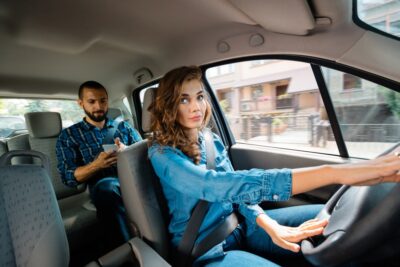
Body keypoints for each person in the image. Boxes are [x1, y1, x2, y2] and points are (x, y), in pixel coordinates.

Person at [147, 66, 400, 267]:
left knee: (337, 224)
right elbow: (216, 186)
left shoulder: (210, 139)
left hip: (241, 226)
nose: (196, 107)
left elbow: (239, 194)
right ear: (169, 105)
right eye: (184, 99)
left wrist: (269, 224)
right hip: (206, 250)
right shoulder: (161, 153)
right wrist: (331, 173)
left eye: (200, 96)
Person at [56, 80, 142, 249]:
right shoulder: (69, 136)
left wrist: (128, 152)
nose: (99, 106)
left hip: (134, 179)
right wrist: (96, 165)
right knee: (107, 187)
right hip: (103, 186)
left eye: (103, 100)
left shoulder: (123, 127)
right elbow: (68, 177)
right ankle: (128, 251)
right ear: (80, 103)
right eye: (91, 101)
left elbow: (144, 153)